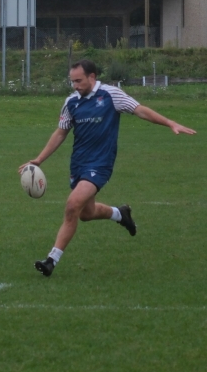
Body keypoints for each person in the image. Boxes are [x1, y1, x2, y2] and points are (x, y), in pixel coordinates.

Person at [22, 59, 196, 276]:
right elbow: (61, 132)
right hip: (78, 164)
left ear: (92, 77)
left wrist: (170, 122)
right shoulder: (71, 102)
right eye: (72, 81)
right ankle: (120, 214)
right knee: (86, 213)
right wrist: (39, 159)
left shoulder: (111, 95)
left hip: (101, 163)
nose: (75, 85)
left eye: (79, 80)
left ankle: (51, 260)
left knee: (72, 205)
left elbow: (140, 110)